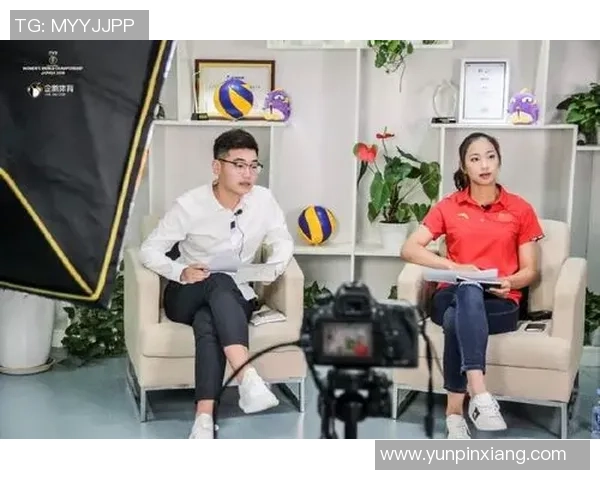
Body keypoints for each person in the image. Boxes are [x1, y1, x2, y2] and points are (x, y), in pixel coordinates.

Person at [139, 128, 294, 439]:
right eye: (239, 165)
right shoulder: (190, 205)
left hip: (235, 297)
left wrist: (272, 268)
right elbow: (148, 250)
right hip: (186, 293)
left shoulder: (264, 200)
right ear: (217, 167)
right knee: (217, 281)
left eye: (253, 165)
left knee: (208, 320)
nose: (248, 174)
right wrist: (181, 271)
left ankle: (204, 420)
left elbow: (282, 239)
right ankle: (246, 375)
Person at [400, 132, 544, 439]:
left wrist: (511, 281)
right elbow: (409, 249)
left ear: (499, 161)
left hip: (501, 299)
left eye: (490, 157)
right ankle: (479, 393)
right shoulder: (449, 206)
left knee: (457, 319)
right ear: (464, 166)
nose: (484, 165)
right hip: (451, 293)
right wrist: (456, 267)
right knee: (467, 288)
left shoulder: (520, 209)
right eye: (475, 159)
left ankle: (454, 415)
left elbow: (531, 270)